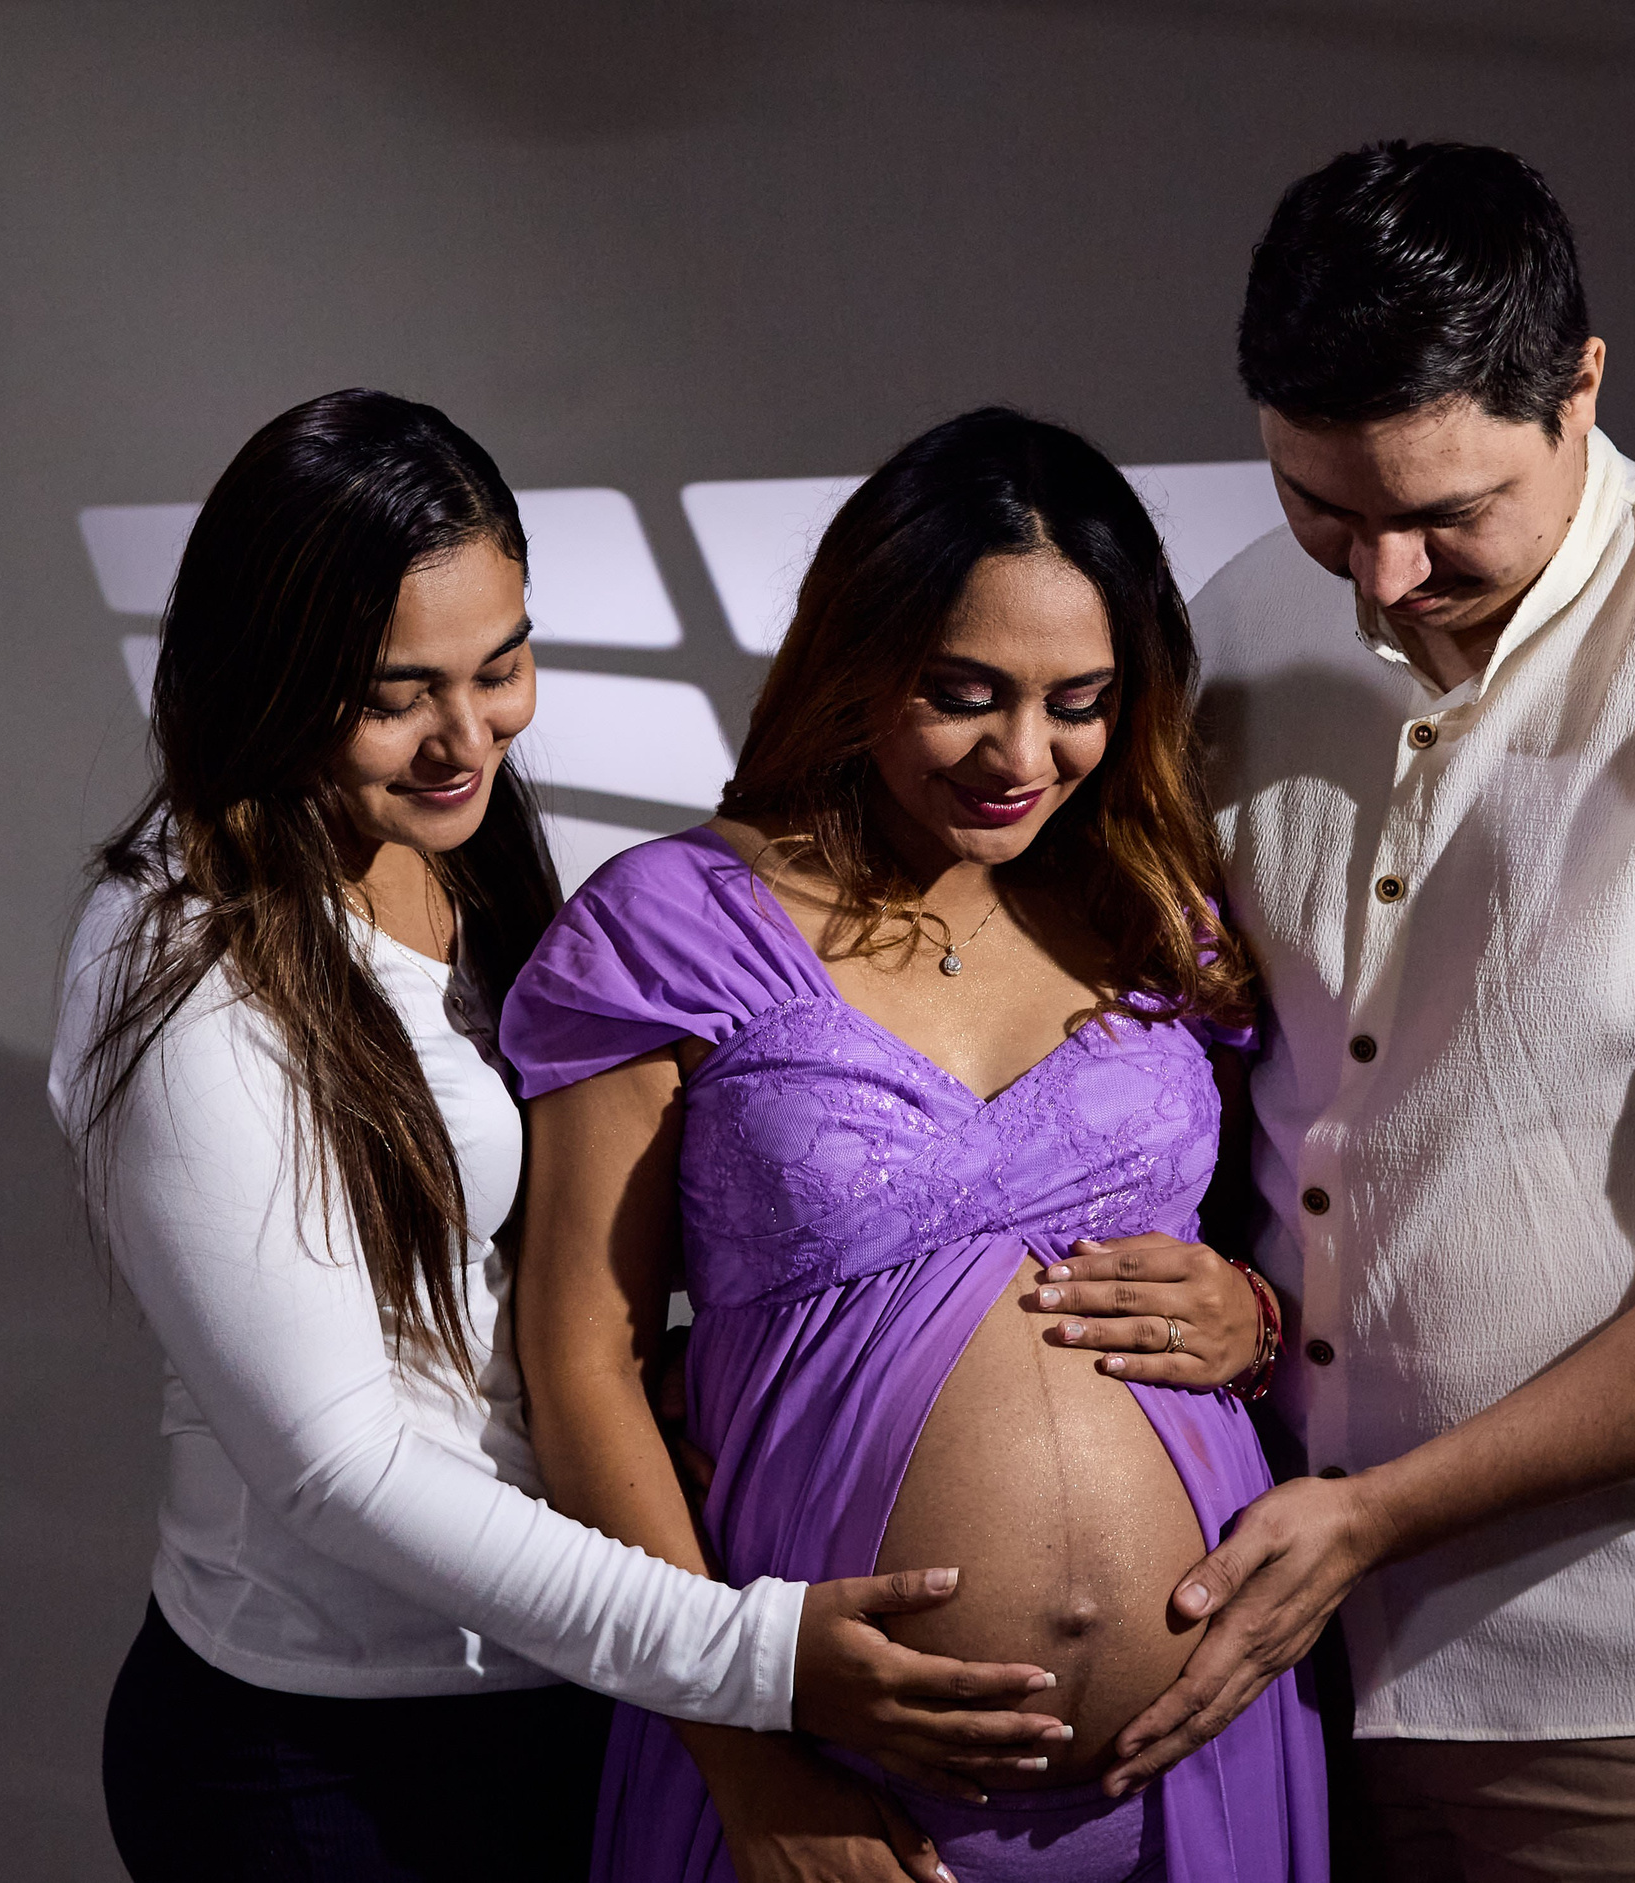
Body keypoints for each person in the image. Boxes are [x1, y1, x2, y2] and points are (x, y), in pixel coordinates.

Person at [1037, 142, 1635, 1879]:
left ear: (1582, 390)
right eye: (1323, 502)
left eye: (1441, 514)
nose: (1378, 573)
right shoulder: (1238, 621)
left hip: (1626, 1697)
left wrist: (1376, 1518)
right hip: (1261, 1653)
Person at [51, 389, 1071, 1882]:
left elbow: (521, 1293)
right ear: (267, 676)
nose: (470, 737)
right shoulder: (181, 963)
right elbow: (336, 1467)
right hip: (324, 1760)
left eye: (503, 665)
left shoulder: (457, 859)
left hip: (559, 1697)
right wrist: (751, 1664)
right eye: (399, 693)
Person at [497, 407, 1327, 1883]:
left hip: (1199, 1765)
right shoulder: (670, 926)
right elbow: (579, 1369)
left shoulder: (1157, 919)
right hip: (822, 1783)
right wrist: (747, 1758)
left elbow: (1271, 1243)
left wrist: (1256, 1321)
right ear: (859, 659)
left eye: (1079, 700)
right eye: (965, 693)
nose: (1024, 754)